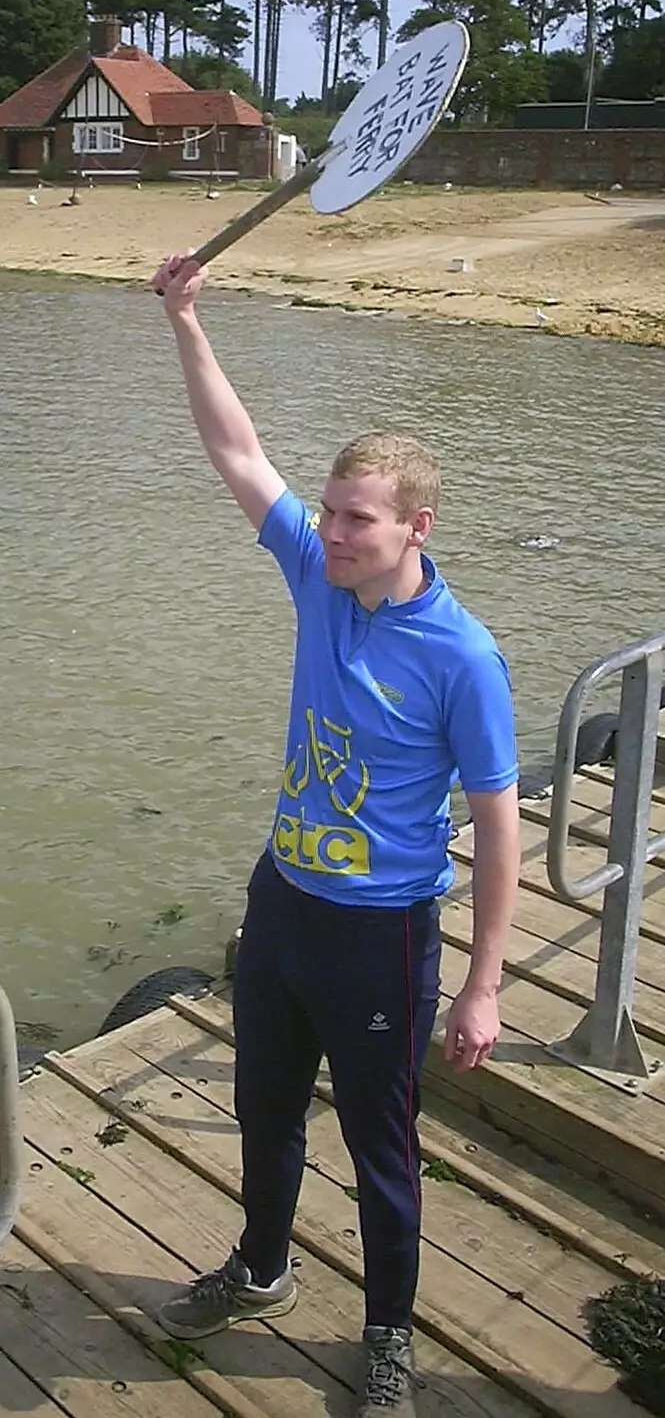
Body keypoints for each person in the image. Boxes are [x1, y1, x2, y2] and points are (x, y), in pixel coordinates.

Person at [150, 250, 520, 1418]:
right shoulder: (318, 575)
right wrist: (187, 322)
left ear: (415, 525)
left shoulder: (463, 656)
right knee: (262, 1110)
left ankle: (388, 1332)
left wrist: (481, 985)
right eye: (332, 511)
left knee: (380, 1152)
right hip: (282, 911)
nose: (334, 530)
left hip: (380, 934)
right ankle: (260, 1267)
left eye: (356, 519)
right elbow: (235, 451)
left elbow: (498, 822)